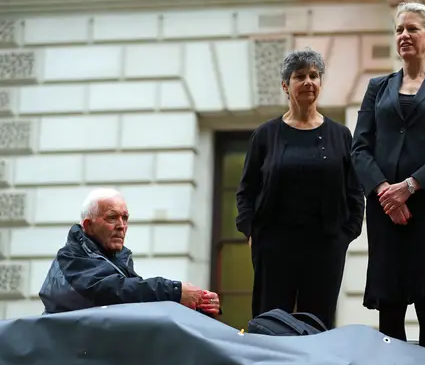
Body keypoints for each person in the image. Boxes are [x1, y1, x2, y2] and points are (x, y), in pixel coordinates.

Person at [351, 1, 425, 350]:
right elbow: (360, 148)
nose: (404, 35)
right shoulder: (378, 88)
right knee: (390, 302)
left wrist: (409, 188)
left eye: (412, 29)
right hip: (385, 210)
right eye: (399, 29)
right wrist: (386, 192)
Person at [235, 48, 365, 330]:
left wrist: (346, 235)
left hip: (324, 248)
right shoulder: (265, 135)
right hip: (275, 247)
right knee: (270, 326)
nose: (308, 82)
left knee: (318, 327)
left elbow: (355, 191)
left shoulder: (340, 135)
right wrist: (251, 231)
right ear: (285, 85)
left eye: (314, 76)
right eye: (300, 76)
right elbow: (246, 190)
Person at [39, 188, 221, 316]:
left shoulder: (114, 260)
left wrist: (197, 305)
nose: (121, 226)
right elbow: (113, 292)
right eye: (112, 217)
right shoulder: (71, 257)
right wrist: (175, 291)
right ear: (88, 225)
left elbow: (137, 303)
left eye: (125, 218)